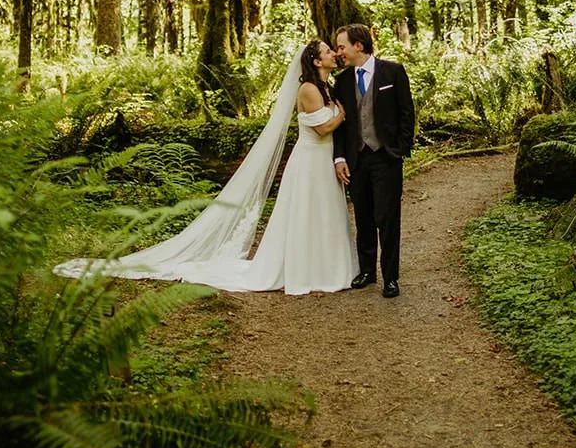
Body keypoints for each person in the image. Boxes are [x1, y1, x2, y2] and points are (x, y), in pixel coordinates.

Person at [55, 39, 355, 295]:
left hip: (322, 160)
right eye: (328, 50)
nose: (333, 54)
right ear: (315, 60)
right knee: (306, 214)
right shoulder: (309, 90)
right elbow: (323, 128)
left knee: (323, 214)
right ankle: (304, 271)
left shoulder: (325, 86)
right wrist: (342, 115)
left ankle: (324, 268)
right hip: (309, 161)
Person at [332, 24, 415, 298]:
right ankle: (367, 271)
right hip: (357, 159)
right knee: (364, 216)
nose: (338, 52)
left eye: (342, 46)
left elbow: (406, 113)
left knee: (387, 217)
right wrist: (340, 157)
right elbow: (342, 126)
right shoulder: (342, 82)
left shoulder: (393, 72)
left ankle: (390, 277)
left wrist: (401, 149)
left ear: (359, 45)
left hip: (386, 158)